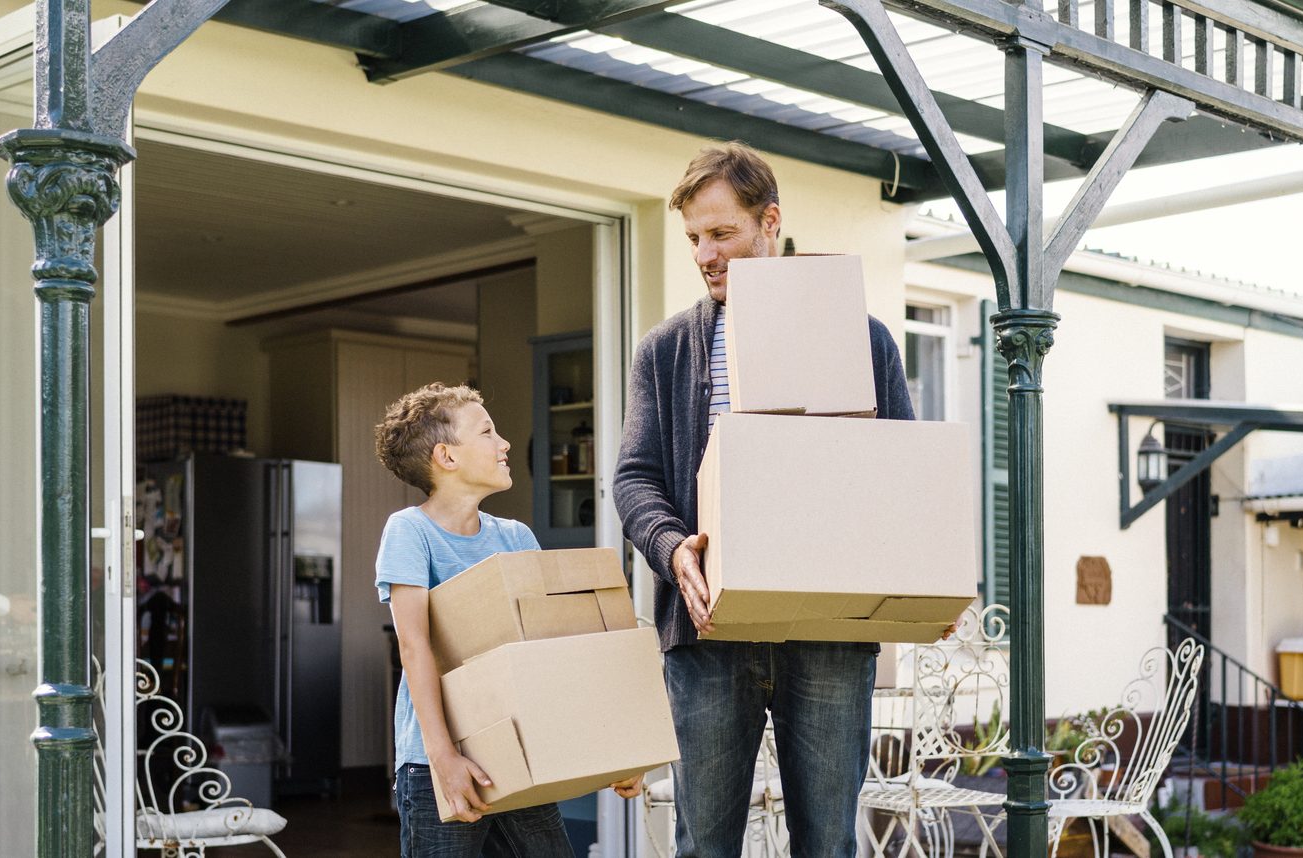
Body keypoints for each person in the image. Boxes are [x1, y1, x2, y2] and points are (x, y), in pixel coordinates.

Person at [614, 142, 916, 858]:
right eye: (693, 238)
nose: (704, 254)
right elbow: (633, 476)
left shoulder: (862, 341)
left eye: (722, 233)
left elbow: (905, 470)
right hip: (710, 631)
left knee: (828, 845)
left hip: (830, 632)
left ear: (769, 221)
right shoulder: (665, 351)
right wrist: (669, 544)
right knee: (704, 847)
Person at [376, 382, 644, 858]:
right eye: (487, 432)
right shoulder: (410, 531)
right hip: (435, 763)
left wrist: (615, 753)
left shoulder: (515, 537)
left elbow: (550, 653)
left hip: (516, 754)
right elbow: (415, 647)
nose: (504, 445)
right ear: (447, 456)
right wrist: (443, 758)